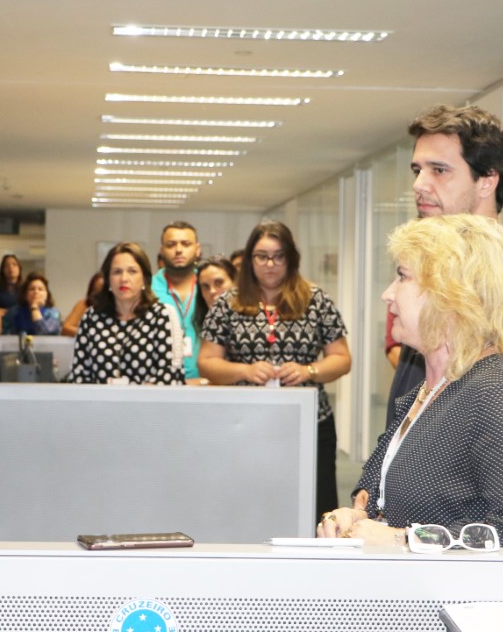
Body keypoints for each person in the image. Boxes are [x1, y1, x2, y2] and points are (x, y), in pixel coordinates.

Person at [319, 215, 503, 548]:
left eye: (403, 277)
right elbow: (383, 494)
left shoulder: (499, 393)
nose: (387, 294)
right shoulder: (429, 390)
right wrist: (355, 516)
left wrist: (404, 540)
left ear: (453, 293)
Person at [384, 104, 503, 429]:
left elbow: (502, 417)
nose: (419, 184)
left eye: (439, 170)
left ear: (487, 181)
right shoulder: (448, 272)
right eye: (417, 170)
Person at [199, 221, 352, 521]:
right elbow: (207, 362)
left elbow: (342, 358)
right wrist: (244, 370)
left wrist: (309, 370)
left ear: (291, 258)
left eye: (278, 256)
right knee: (249, 502)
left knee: (316, 503)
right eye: (261, 256)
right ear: (250, 259)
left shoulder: (316, 299)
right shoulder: (228, 303)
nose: (270, 264)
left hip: (310, 422)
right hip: (246, 423)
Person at [68, 242, 185, 385]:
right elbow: (79, 374)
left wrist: (133, 395)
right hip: (99, 399)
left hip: (150, 399)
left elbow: (170, 373)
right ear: (108, 279)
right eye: (117, 272)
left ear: (145, 278)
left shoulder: (162, 315)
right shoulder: (92, 317)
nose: (124, 278)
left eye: (132, 271)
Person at [151, 222, 202, 381]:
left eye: (186, 244)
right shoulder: (147, 288)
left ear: (197, 249)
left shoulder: (209, 286)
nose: (178, 249)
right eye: (171, 244)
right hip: (159, 382)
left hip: (206, 382)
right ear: (161, 250)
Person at [193, 255, 235, 333]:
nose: (212, 291)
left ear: (234, 282)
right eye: (205, 286)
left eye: (218, 283)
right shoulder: (200, 328)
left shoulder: (252, 321)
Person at [62, 272, 103, 337]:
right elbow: (66, 328)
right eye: (96, 293)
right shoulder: (84, 305)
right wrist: (90, 333)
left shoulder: (116, 307)